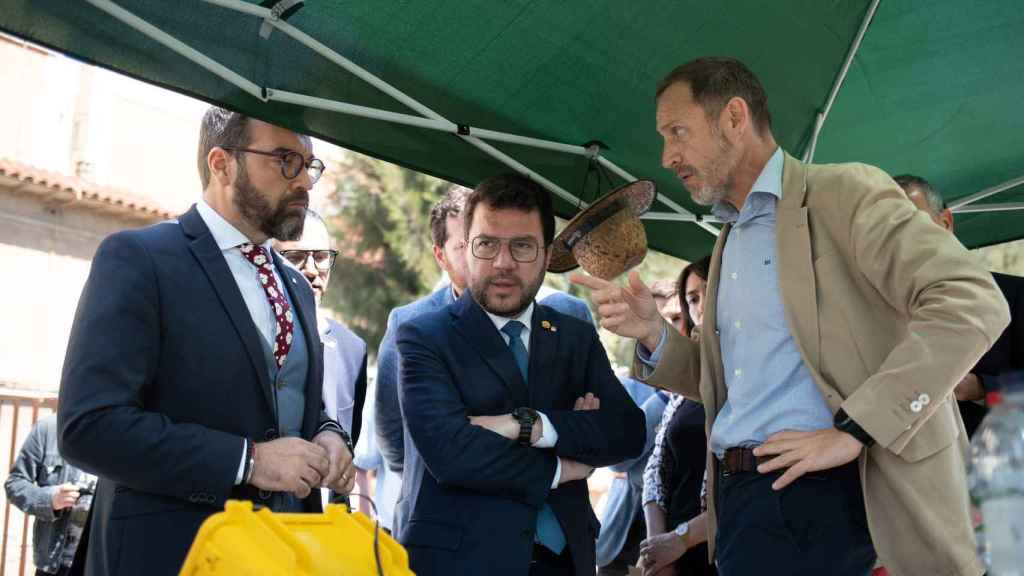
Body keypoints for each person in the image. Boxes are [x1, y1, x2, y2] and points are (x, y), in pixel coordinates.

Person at [572, 57, 1010, 576]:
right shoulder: (730, 239)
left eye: (678, 132)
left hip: (832, 500)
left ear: (735, 118)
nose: (667, 156)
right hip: (740, 506)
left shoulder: (845, 192)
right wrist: (652, 333)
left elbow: (973, 300)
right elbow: (731, 385)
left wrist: (857, 428)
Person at [57, 108, 355, 575]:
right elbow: (89, 427)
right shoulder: (141, 259)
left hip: (283, 554)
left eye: (309, 165)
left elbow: (295, 402)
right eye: (285, 160)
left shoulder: (296, 287)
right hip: (169, 555)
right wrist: (248, 461)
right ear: (221, 164)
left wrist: (329, 435)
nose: (305, 182)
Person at [396, 173, 645, 576]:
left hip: (566, 561)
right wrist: (563, 464)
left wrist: (528, 425)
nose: (503, 263)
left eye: (522, 247)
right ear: (467, 249)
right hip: (463, 563)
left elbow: (627, 431)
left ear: (547, 255)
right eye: (487, 244)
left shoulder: (574, 336)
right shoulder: (425, 337)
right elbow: (452, 454)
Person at [374, 184, 594, 536]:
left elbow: (598, 427)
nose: (495, 258)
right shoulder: (410, 326)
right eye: (472, 245)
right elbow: (395, 439)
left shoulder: (568, 315)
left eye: (503, 242)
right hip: (450, 530)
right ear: (441, 255)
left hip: (553, 531)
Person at [895, 173, 1024, 436]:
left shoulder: (1015, 295)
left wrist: (981, 389)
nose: (901, 241)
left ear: (945, 222)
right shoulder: (873, 310)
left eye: (912, 225)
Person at [596, 274, 692, 576]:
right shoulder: (631, 388)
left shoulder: (702, 387)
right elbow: (618, 461)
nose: (669, 330)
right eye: (661, 321)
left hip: (681, 535)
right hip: (625, 531)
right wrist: (663, 398)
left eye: (678, 319)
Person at [638, 257, 714, 576]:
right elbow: (655, 467)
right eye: (693, 298)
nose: (700, 306)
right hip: (673, 555)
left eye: (709, 292)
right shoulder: (685, 385)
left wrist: (683, 539)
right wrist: (659, 544)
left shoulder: (753, 376)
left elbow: (748, 485)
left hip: (723, 549)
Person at [276, 209, 368, 444]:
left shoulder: (353, 349)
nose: (311, 269)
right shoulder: (257, 339)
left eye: (321, 257)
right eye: (295, 256)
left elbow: (349, 437)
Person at [5, 415, 96, 576]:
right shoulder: (48, 428)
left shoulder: (124, 435)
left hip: (101, 564)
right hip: (56, 565)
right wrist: (50, 500)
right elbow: (15, 484)